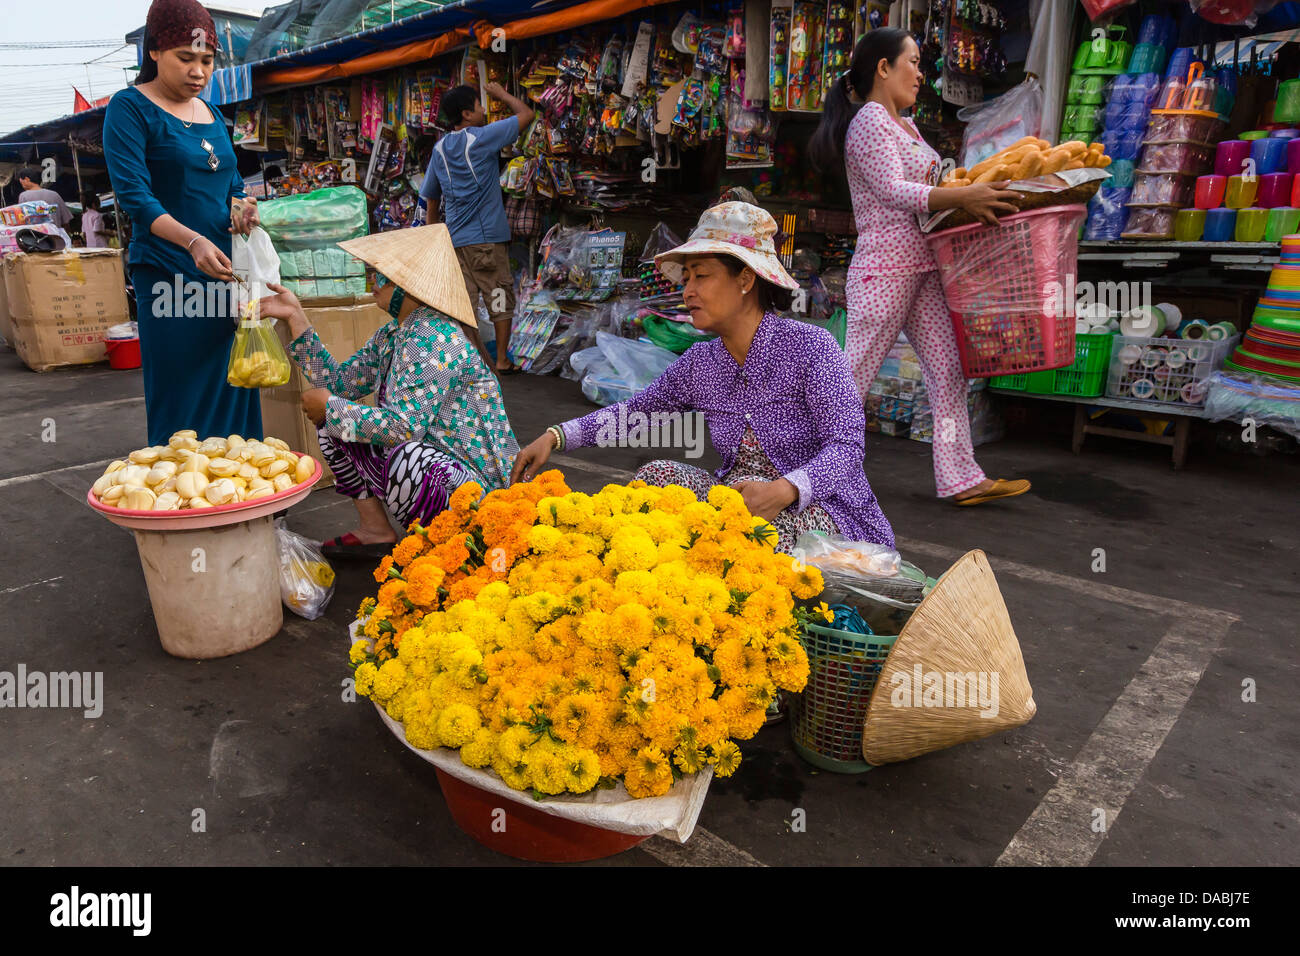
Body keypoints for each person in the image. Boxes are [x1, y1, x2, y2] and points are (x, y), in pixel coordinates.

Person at [512, 201, 893, 554]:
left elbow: (847, 447)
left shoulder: (811, 347)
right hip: (736, 504)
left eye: (702, 276)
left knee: (758, 536)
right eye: (687, 277)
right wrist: (556, 436)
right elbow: (636, 413)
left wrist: (785, 489)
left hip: (821, 510)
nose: (687, 291)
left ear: (745, 279)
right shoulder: (701, 363)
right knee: (655, 478)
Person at [809, 28, 1031, 507]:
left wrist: (970, 191)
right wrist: (962, 195)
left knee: (951, 369)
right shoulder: (870, 120)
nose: (920, 73)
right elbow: (893, 189)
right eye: (912, 61)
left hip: (925, 269)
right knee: (852, 379)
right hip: (885, 271)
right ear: (883, 68)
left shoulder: (905, 126)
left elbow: (926, 190)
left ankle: (960, 477)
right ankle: (803, 472)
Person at [257, 224, 521, 560]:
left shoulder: (432, 337)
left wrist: (333, 408)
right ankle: (375, 530)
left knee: (405, 455)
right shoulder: (393, 335)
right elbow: (339, 384)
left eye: (380, 275)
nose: (372, 283)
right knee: (335, 424)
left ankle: (454, 549)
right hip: (443, 464)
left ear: (406, 285)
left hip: (481, 489)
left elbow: (404, 429)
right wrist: (296, 316)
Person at [102, 0, 260, 446]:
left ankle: (245, 503)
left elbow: (231, 184)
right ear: (154, 52)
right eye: (185, 58)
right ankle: (184, 508)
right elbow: (136, 198)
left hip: (225, 273)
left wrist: (244, 208)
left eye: (207, 60)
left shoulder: (213, 115)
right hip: (171, 277)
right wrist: (192, 242)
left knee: (237, 380)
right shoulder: (130, 109)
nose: (198, 71)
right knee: (183, 388)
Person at [420, 82, 535, 375]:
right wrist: (501, 94)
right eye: (480, 104)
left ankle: (472, 361)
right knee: (498, 296)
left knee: (465, 305)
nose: (484, 109)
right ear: (467, 114)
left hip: (456, 240)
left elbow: (431, 198)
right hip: (486, 240)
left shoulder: (440, 148)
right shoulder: (481, 138)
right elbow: (526, 114)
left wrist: (435, 237)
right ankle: (501, 360)